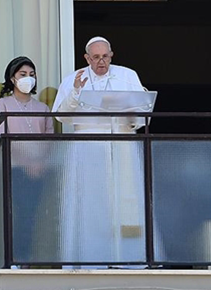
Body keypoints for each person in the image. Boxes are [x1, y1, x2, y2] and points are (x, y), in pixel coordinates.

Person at [51, 36, 148, 264]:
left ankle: (128, 260)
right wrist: (75, 92)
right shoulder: (74, 79)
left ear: (111, 55)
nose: (101, 61)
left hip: (123, 146)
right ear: (87, 58)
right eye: (96, 57)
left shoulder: (128, 75)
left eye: (105, 56)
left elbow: (143, 113)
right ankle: (90, 259)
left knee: (124, 203)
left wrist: (132, 116)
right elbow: (60, 116)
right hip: (89, 149)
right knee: (91, 206)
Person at [0, 56, 54, 264]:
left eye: (31, 75)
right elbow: (2, 136)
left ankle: (29, 259)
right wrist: (27, 163)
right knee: (17, 214)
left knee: (34, 215)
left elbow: (49, 137)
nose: (28, 78)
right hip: (16, 169)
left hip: (39, 171)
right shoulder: (4, 104)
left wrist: (40, 163)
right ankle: (16, 259)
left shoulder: (42, 108)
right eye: (23, 75)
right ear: (12, 79)